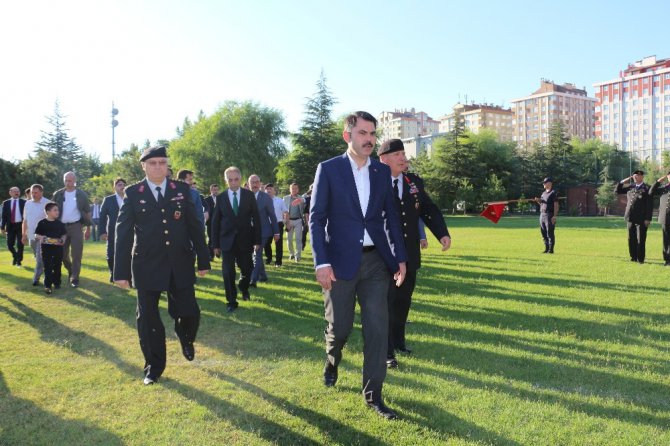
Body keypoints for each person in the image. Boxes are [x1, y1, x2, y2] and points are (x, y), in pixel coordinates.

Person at [310, 111, 407, 420]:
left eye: (372, 133)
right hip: (338, 264)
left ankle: (374, 395)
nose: (369, 139)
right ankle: (332, 358)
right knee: (340, 329)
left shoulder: (381, 171)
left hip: (376, 263)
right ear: (347, 136)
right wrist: (321, 262)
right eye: (363, 133)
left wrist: (400, 258)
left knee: (378, 329)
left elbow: (391, 217)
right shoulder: (329, 170)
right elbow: (316, 219)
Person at [114, 146, 210, 385]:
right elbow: (123, 233)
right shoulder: (134, 193)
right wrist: (121, 272)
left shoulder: (182, 190)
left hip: (180, 261)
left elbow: (195, 226)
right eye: (153, 163)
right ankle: (153, 368)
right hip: (147, 264)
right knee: (147, 319)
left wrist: (203, 259)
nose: (158, 167)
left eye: (162, 163)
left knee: (189, 312)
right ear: (143, 166)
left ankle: (185, 336)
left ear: (168, 165)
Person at [378, 139, 451, 368]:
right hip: (385, 255)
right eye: (397, 154)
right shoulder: (374, 181)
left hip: (410, 254)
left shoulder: (413, 182)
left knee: (403, 301)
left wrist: (442, 234)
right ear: (384, 159)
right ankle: (386, 351)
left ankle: (399, 342)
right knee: (386, 303)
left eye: (403, 153)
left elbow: (429, 210)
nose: (403, 157)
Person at [211, 167, 261, 313]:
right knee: (228, 272)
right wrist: (215, 245)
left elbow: (256, 219)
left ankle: (244, 287)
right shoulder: (220, 198)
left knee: (247, 269)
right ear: (226, 181)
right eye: (230, 180)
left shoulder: (249, 195)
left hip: (246, 240)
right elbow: (215, 222)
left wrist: (257, 241)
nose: (233, 182)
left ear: (240, 179)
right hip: (226, 241)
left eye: (236, 179)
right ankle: (231, 301)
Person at [52, 172, 91, 288]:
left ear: (75, 181)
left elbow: (88, 212)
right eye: (66, 180)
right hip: (61, 228)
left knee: (76, 254)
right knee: (62, 255)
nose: (67, 183)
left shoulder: (82, 195)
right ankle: (70, 270)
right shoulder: (58, 194)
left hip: (76, 227)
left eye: (70, 180)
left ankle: (75, 277)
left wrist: (88, 228)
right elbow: (51, 210)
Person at [248, 174, 279, 287]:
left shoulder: (266, 197)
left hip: (263, 232)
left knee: (257, 254)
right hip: (249, 232)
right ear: (249, 183)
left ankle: (253, 279)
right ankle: (263, 276)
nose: (255, 184)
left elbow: (272, 216)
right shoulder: (245, 196)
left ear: (260, 183)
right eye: (252, 182)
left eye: (256, 182)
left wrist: (276, 232)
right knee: (256, 254)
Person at [615, 170, 653, 263]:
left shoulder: (647, 188)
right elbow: (617, 190)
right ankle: (633, 257)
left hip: (642, 218)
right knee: (631, 238)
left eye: (638, 176)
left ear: (642, 177)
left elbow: (649, 205)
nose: (635, 177)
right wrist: (624, 181)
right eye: (634, 176)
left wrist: (648, 218)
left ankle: (640, 259)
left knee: (641, 239)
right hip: (630, 217)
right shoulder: (630, 186)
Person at [34, 203, 67, 295]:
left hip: (58, 248)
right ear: (48, 212)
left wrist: (62, 240)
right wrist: (42, 238)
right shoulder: (42, 223)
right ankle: (48, 285)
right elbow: (36, 235)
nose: (58, 212)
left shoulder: (59, 223)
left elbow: (64, 234)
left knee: (57, 265)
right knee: (47, 266)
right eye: (55, 210)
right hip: (46, 248)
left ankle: (57, 283)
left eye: (58, 210)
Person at [22, 184, 51, 286]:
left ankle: (36, 278)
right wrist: (23, 235)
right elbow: (25, 220)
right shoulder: (27, 204)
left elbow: (52, 220)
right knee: (38, 256)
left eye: (35, 192)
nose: (33, 194)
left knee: (39, 259)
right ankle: (47, 270)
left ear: (41, 192)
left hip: (43, 236)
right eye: (32, 192)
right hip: (31, 236)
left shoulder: (48, 203)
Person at [99, 178, 126, 282]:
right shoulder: (108, 200)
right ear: (114, 187)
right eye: (119, 184)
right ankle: (112, 273)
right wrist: (102, 232)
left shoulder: (130, 198)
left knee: (128, 254)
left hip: (129, 231)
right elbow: (102, 217)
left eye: (123, 184)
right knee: (111, 254)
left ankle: (126, 275)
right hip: (112, 231)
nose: (122, 186)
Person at [1, 186, 26, 266]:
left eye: (18, 191)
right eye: (15, 191)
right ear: (10, 193)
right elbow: (4, 216)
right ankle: (15, 256)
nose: (17, 192)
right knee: (9, 245)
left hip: (20, 225)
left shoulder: (24, 202)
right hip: (10, 226)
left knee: (20, 244)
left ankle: (19, 261)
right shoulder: (6, 203)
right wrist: (2, 227)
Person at [649, 171, 670, 266]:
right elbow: (651, 192)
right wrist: (658, 182)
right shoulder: (664, 188)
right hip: (665, 218)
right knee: (666, 240)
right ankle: (667, 260)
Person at [264, 183, 287, 266]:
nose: (269, 190)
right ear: (265, 190)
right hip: (267, 224)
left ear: (274, 190)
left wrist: (285, 221)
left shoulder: (280, 200)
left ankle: (278, 262)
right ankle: (269, 258)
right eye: (267, 189)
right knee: (266, 243)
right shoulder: (262, 200)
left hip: (278, 224)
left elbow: (285, 211)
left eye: (270, 188)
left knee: (278, 244)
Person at [535, 177, 559, 254]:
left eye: (545, 182)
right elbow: (542, 204)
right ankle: (546, 248)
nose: (543, 184)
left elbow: (556, 205)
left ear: (550, 183)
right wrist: (538, 201)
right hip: (542, 214)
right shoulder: (543, 193)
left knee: (550, 232)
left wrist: (554, 216)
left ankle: (551, 250)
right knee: (543, 232)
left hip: (549, 214)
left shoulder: (553, 193)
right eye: (544, 183)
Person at [283, 183, 305, 262]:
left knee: (298, 239)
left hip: (298, 220)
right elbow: (283, 211)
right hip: (289, 220)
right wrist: (286, 222)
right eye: (292, 188)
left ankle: (298, 256)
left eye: (295, 188)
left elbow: (305, 203)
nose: (294, 190)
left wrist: (301, 200)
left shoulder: (301, 198)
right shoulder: (285, 198)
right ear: (290, 189)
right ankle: (291, 254)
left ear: (298, 189)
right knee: (289, 239)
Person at [204, 184, 220, 261]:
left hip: (220, 223)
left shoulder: (221, 199)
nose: (215, 191)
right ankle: (211, 255)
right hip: (210, 223)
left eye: (217, 190)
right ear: (211, 190)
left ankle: (218, 253)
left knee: (220, 238)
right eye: (214, 190)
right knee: (211, 238)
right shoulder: (206, 199)